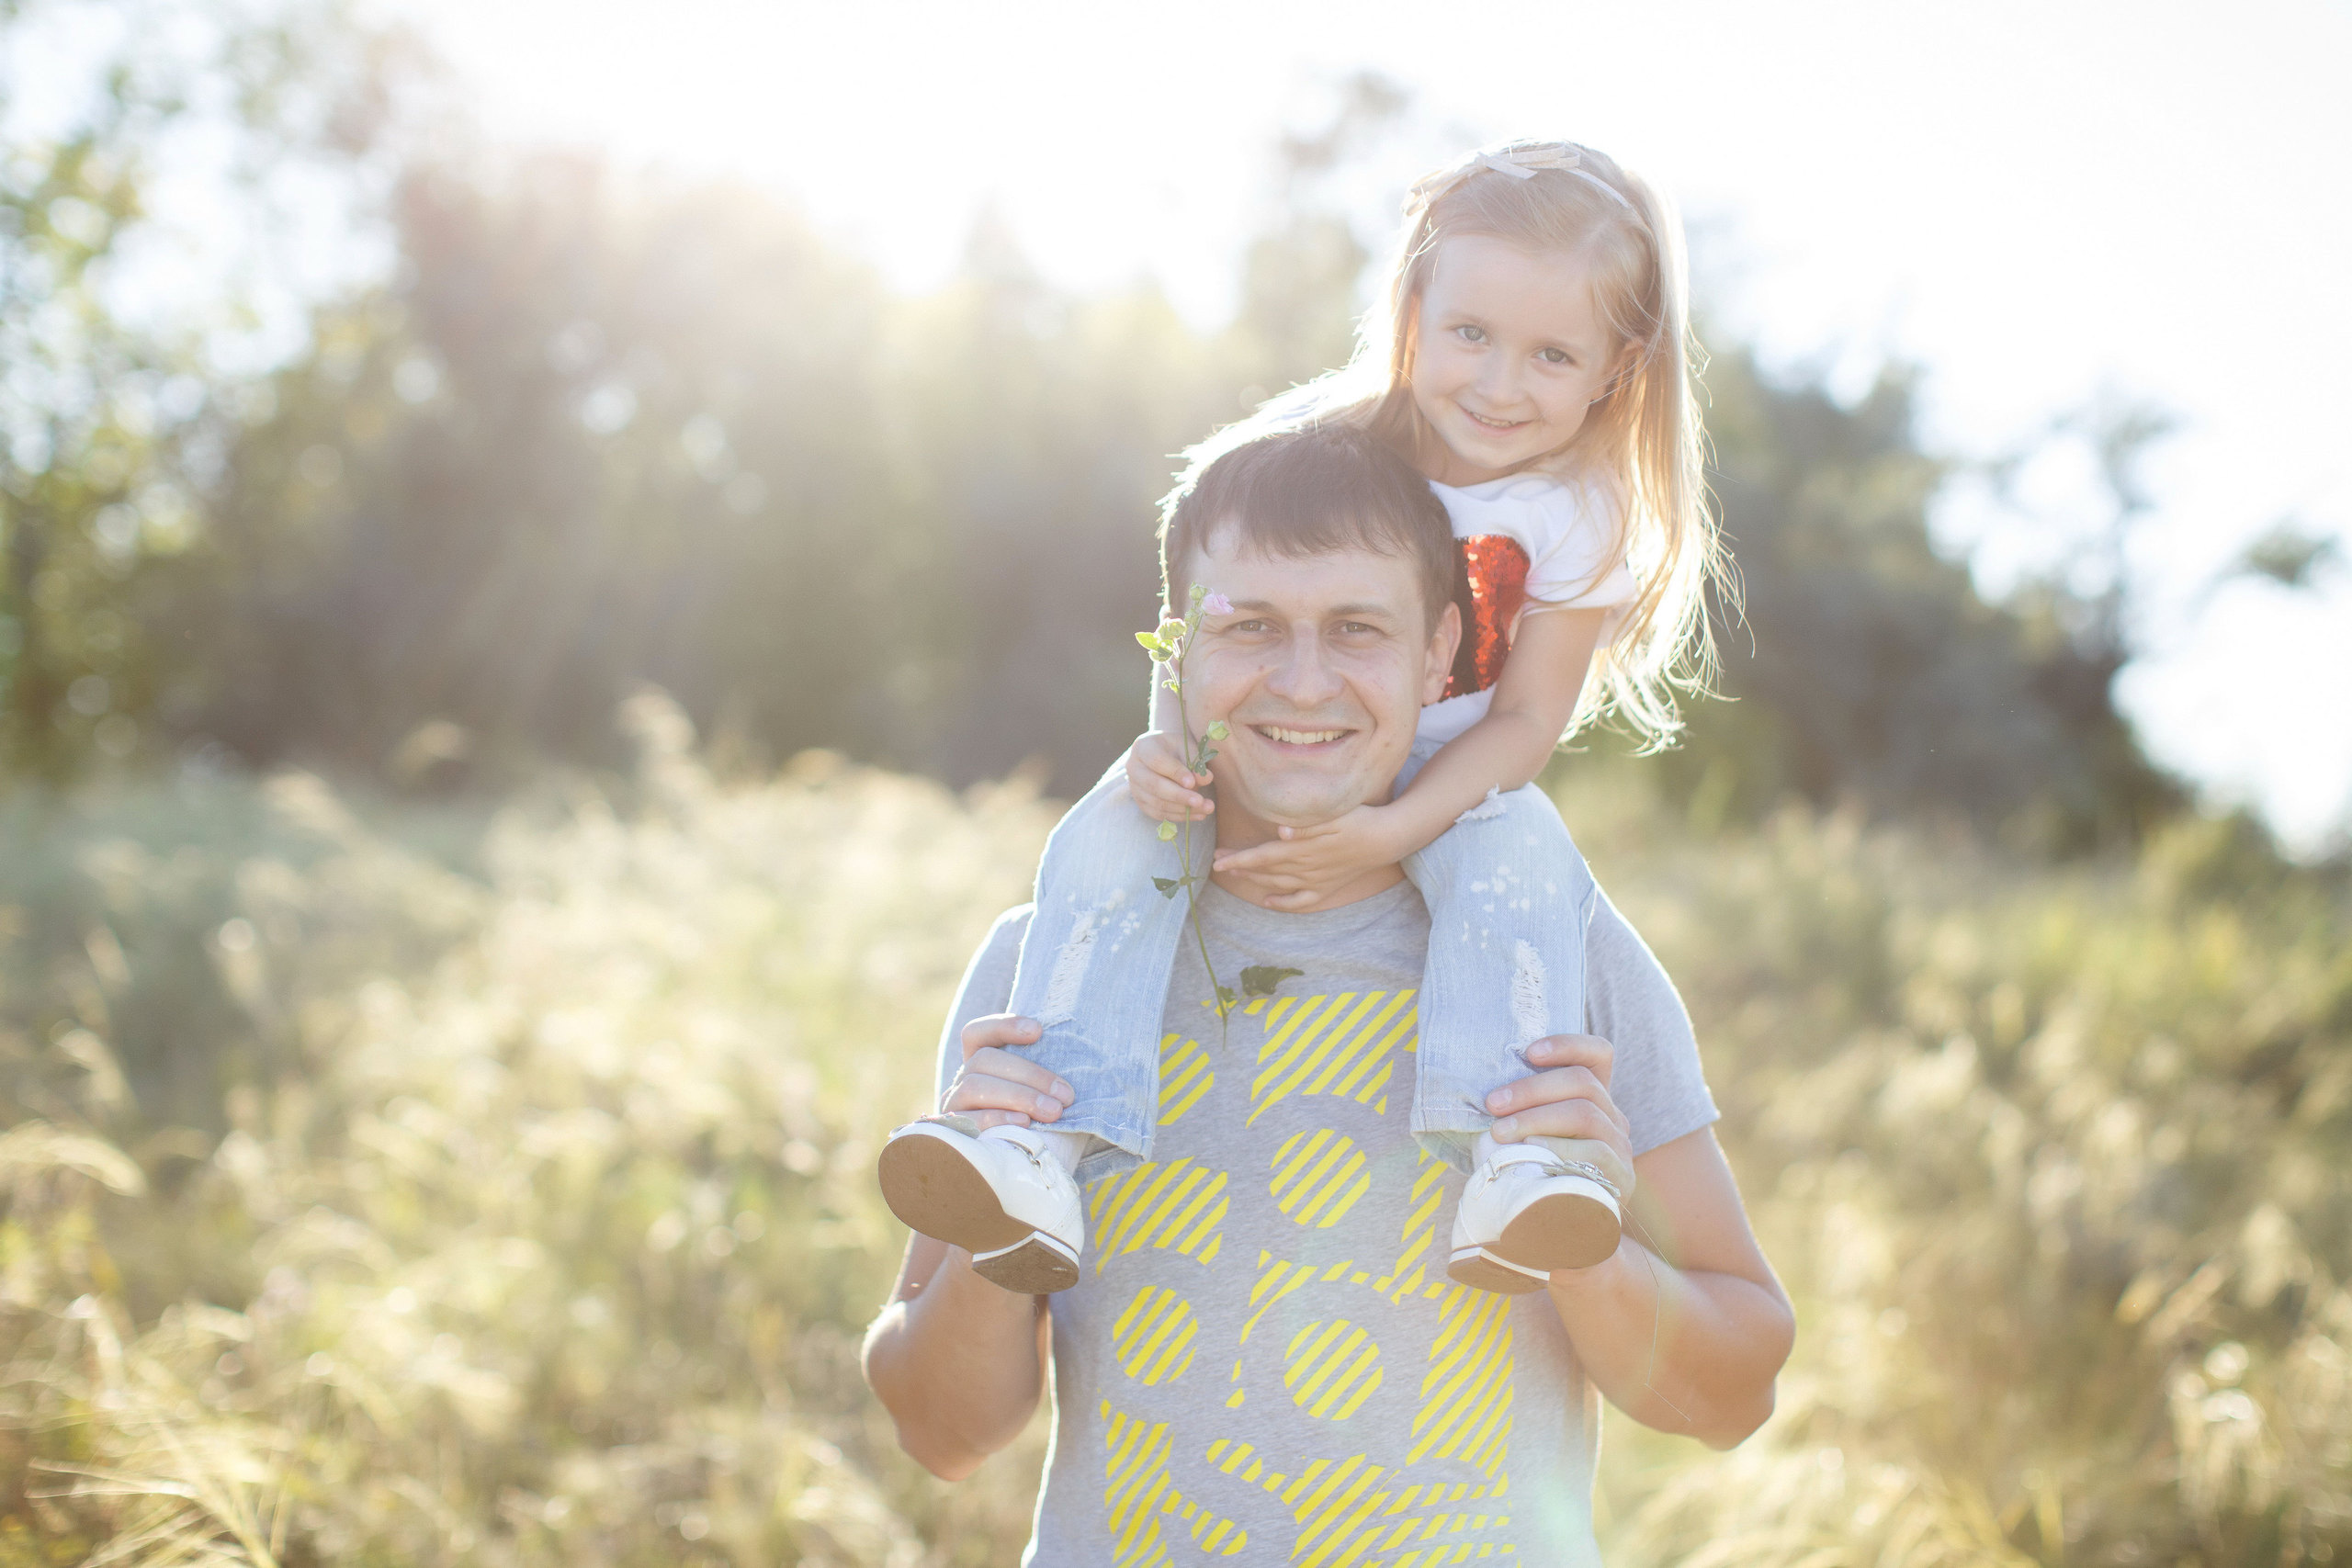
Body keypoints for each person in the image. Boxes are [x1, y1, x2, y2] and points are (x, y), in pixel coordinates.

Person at [860, 425, 1791, 1565]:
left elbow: (1736, 1393)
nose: (1303, 682)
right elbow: (942, 1435)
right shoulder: (1056, 962)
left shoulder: (1551, 958)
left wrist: (1584, 1246)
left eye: (1357, 629)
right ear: (1177, 654)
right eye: (1249, 627)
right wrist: (990, 1237)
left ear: (1440, 649)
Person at [877, 137, 1727, 1298]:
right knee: (1110, 839)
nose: (1498, 383)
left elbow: (1524, 723)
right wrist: (1171, 745)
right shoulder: (1319, 447)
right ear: (1413, 308)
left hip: (1449, 782)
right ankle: (1035, 1139)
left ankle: (1520, 1158)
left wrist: (1398, 829)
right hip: (1263, 755)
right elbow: (1205, 607)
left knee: (1520, 861)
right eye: (1471, 334)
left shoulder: (1578, 513)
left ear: (1615, 368)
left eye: (1551, 354)